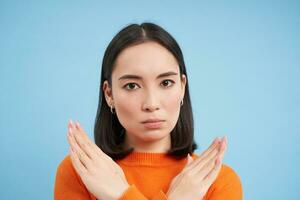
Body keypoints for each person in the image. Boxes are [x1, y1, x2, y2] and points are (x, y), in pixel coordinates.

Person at [54, 22, 242, 200]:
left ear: (182, 87)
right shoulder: (80, 172)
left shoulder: (218, 181)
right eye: (132, 85)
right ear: (109, 94)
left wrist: (121, 195)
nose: (151, 103)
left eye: (166, 83)